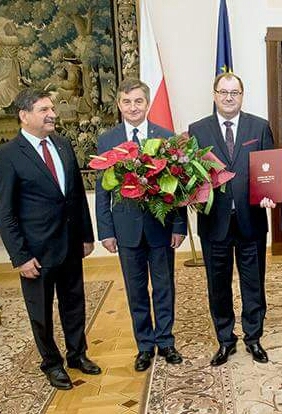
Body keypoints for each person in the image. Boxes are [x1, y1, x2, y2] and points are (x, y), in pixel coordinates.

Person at [0, 88, 101, 390]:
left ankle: (77, 354)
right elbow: (5, 212)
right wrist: (20, 256)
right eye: (44, 110)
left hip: (70, 243)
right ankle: (52, 364)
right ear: (24, 115)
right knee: (41, 313)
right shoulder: (8, 155)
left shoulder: (62, 144)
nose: (52, 114)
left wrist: (86, 236)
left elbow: (76, 195)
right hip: (36, 252)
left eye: (51, 108)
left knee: (74, 303)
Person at [95, 78, 187, 372]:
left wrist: (179, 226)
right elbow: (102, 192)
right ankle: (145, 346)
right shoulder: (107, 141)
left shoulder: (166, 137)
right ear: (119, 105)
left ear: (147, 103)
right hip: (126, 231)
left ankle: (166, 341)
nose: (133, 107)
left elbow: (177, 188)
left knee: (164, 287)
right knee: (136, 290)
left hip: (161, 228)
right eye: (127, 102)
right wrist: (106, 231)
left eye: (138, 101)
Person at [189, 72, 274, 366]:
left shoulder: (259, 126)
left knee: (254, 284)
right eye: (223, 92)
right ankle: (226, 340)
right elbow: (191, 175)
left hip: (251, 220)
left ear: (242, 96)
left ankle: (254, 337)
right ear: (214, 95)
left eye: (234, 93)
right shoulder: (197, 130)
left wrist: (269, 194)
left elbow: (269, 169)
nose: (228, 97)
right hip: (214, 223)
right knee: (218, 286)